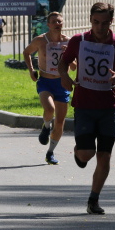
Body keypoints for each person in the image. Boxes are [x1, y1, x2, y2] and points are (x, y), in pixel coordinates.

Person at [59, 2, 115, 215]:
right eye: (96, 22)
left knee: (104, 157)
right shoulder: (79, 40)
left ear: (111, 22)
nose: (100, 27)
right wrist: (65, 77)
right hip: (84, 106)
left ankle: (93, 200)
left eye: (104, 23)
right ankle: (79, 153)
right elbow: (63, 62)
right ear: (90, 20)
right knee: (87, 155)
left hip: (108, 108)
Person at [22, 12, 76, 165]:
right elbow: (26, 52)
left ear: (63, 23)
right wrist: (31, 70)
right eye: (54, 21)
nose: (57, 24)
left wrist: (68, 56)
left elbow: (73, 66)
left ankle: (50, 152)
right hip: (45, 81)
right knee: (49, 109)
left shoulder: (69, 42)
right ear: (49, 24)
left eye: (59, 21)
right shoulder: (40, 40)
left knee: (60, 122)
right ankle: (46, 127)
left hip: (62, 83)